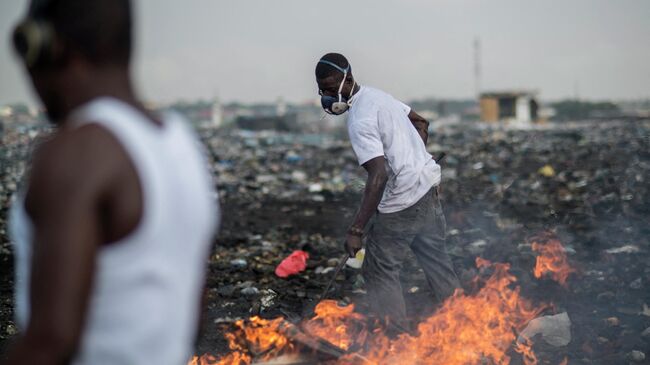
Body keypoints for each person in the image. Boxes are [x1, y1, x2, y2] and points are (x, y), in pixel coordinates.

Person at [3, 0, 219, 364]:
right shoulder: (181, 145)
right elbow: (190, 316)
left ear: (46, 46)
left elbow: (52, 340)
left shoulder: (78, 152)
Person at [314, 53, 460, 334]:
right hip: (428, 187)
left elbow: (378, 175)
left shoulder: (359, 119)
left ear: (348, 79)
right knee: (438, 264)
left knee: (379, 269)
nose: (329, 96)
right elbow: (421, 122)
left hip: (404, 200)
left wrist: (356, 228)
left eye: (332, 89)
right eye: (323, 90)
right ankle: (466, 327)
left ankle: (396, 342)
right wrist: (413, 159)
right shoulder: (379, 97)